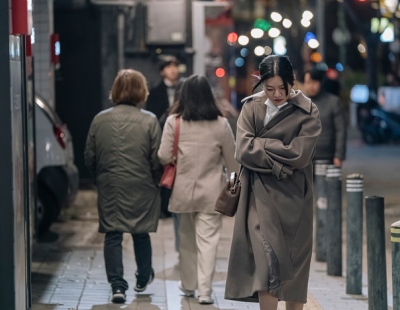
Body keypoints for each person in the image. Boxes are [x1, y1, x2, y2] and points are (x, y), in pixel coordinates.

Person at [225, 55, 322, 310]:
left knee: (295, 265)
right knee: (266, 266)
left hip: (295, 198)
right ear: (261, 84)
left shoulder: (307, 109)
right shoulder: (252, 107)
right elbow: (243, 150)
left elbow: (300, 155)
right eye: (269, 88)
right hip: (259, 196)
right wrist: (280, 160)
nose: (277, 94)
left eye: (283, 87)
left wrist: (263, 144)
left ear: (293, 81)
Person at [84, 69, 163, 303]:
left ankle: (117, 287)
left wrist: (100, 177)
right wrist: (155, 180)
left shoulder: (100, 119)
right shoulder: (149, 120)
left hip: (110, 186)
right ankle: (142, 277)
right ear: (142, 91)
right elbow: (156, 158)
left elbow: (89, 156)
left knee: (113, 234)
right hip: (142, 185)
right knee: (141, 233)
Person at [158, 75, 238, 305]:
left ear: (183, 96)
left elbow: (163, 156)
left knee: (186, 242)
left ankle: (189, 286)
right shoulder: (220, 123)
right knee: (208, 243)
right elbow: (233, 163)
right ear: (208, 96)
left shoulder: (174, 121)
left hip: (182, 192)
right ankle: (205, 291)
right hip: (212, 194)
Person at [146, 55, 180, 219]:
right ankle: (164, 207)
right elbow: (152, 115)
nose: (173, 70)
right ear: (162, 71)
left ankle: (176, 205)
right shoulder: (155, 91)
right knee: (165, 169)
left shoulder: (183, 89)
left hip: (181, 135)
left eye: (175, 66)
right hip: (163, 135)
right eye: (169, 67)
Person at [304, 69, 347, 167]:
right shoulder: (299, 102)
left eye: (314, 82)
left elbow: (340, 130)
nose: (311, 86)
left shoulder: (333, 102)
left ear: (321, 82)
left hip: (327, 156)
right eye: (308, 82)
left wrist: (339, 155)